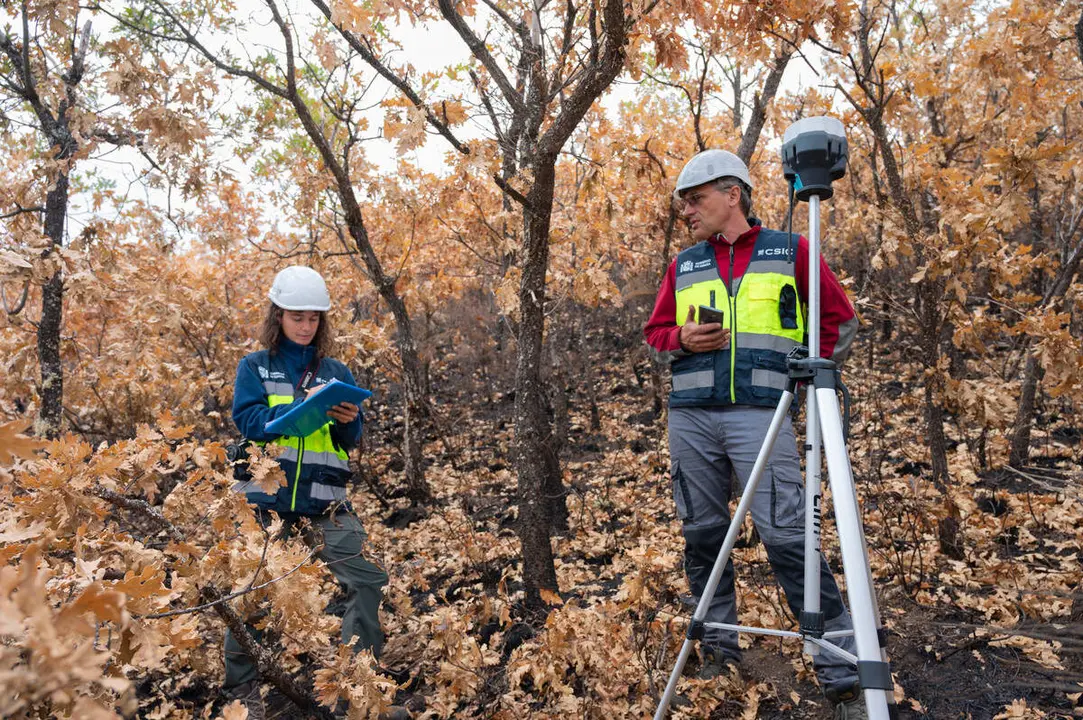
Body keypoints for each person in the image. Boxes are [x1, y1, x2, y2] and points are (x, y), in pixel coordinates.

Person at [644, 150, 866, 719]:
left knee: (788, 534)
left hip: (762, 415)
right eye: (684, 203)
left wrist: (809, 375)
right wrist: (681, 339)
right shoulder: (683, 265)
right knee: (703, 535)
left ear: (732, 195)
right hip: (691, 417)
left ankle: (840, 667)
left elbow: (839, 321)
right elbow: (656, 333)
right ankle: (719, 651)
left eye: (695, 200)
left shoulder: (790, 251)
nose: (687, 212)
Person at [227, 265, 408, 720]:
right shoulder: (255, 366)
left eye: (313, 318)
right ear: (278, 316)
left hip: (326, 502)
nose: (306, 326)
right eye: (297, 317)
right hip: (267, 503)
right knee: (252, 594)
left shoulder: (335, 371)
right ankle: (242, 694)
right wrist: (300, 407)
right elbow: (249, 422)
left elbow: (348, 442)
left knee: (368, 579)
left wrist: (349, 420)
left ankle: (356, 693)